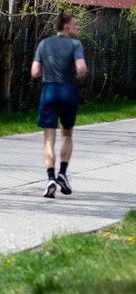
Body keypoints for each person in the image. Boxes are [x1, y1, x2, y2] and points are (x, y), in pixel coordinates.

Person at [31, 13, 87, 199]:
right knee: (67, 134)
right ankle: (62, 173)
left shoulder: (44, 44)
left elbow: (35, 72)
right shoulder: (75, 45)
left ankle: (50, 179)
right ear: (66, 26)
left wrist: (49, 69)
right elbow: (81, 68)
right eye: (75, 24)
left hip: (49, 91)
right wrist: (74, 73)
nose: (77, 27)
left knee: (48, 139)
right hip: (67, 91)